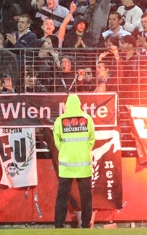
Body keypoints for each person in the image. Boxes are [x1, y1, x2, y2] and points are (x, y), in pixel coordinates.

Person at [53, 93, 95, 229]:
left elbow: (57, 141)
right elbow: (92, 139)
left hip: (66, 166)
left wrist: (65, 151)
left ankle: (59, 225)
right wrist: (83, 151)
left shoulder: (60, 120)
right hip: (84, 165)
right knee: (86, 198)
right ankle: (86, 224)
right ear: (79, 105)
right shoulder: (87, 119)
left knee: (62, 198)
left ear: (66, 106)